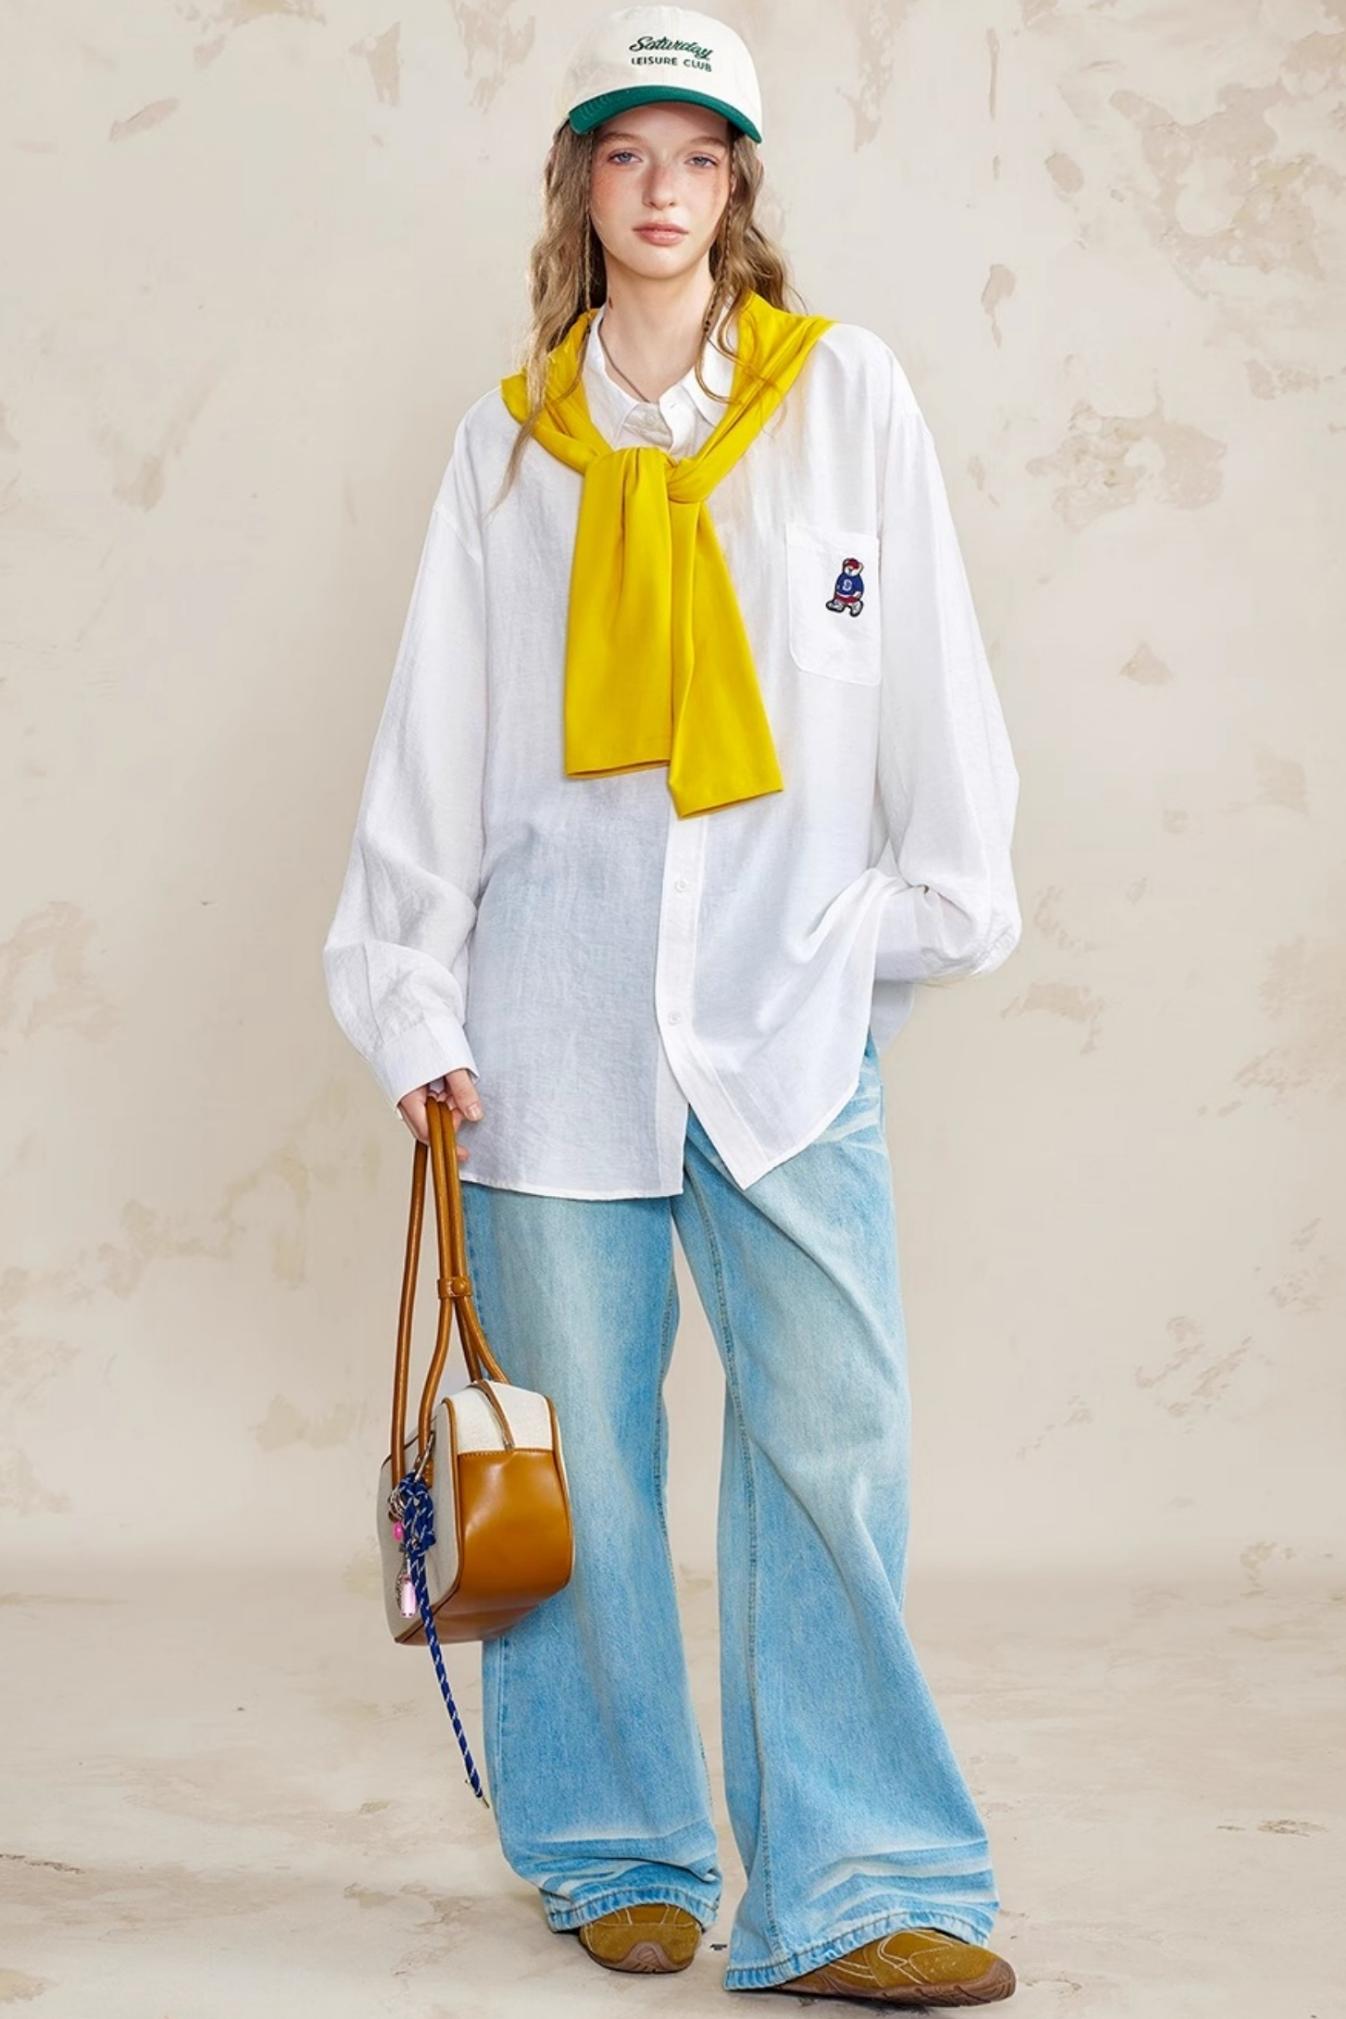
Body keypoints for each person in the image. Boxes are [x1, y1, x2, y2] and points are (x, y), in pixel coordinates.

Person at [322, 5, 1023, 2004]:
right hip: (544, 1022)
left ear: (737, 187)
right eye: (625, 154)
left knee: (831, 1440)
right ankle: (612, 1845)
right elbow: (437, 738)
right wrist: (410, 995)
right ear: (581, 186)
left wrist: (895, 920)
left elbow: (925, 672)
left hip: (782, 1016)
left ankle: (860, 1880)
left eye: (695, 156)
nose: (660, 190)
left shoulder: (841, 394)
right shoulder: (509, 443)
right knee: (581, 1466)